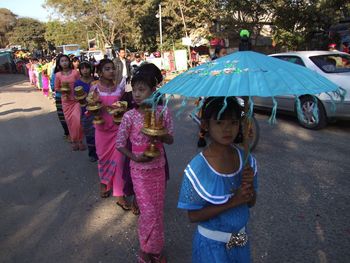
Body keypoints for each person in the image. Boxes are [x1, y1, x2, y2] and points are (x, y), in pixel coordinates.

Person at [178, 97, 257, 263]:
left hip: (241, 244)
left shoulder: (246, 160)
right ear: (206, 125)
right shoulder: (197, 168)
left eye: (234, 122)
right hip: (211, 250)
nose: (227, 129)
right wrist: (232, 202)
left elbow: (250, 202)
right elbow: (193, 215)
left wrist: (248, 189)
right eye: (220, 122)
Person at [116, 63, 174, 263]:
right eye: (135, 90)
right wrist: (134, 157)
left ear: (153, 91)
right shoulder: (129, 116)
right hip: (138, 171)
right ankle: (145, 249)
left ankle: (156, 250)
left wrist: (160, 132)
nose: (137, 94)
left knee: (157, 212)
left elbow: (171, 139)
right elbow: (120, 144)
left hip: (157, 169)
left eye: (142, 90)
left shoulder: (162, 112)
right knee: (147, 212)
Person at [89, 59, 134, 206]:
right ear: (100, 72)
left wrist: (122, 108)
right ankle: (104, 182)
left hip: (118, 129)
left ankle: (119, 195)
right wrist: (94, 106)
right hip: (101, 130)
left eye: (113, 69)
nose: (112, 71)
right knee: (103, 159)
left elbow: (125, 107)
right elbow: (89, 108)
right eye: (108, 69)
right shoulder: (94, 88)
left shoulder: (119, 88)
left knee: (120, 161)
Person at [54, 54, 85, 151]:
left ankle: (80, 140)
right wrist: (64, 91)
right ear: (59, 63)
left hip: (76, 100)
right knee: (70, 122)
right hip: (66, 101)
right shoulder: (58, 75)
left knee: (78, 121)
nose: (64, 63)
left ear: (69, 62)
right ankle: (74, 141)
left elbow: (80, 84)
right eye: (62, 61)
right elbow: (56, 88)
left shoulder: (75, 73)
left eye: (66, 60)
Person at [74, 61, 98, 162]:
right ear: (80, 70)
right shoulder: (78, 83)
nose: (85, 70)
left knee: (99, 133)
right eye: (82, 68)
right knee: (89, 133)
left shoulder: (97, 81)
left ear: (91, 69)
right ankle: (92, 153)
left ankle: (101, 152)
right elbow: (76, 97)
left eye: (87, 68)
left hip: (98, 110)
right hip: (85, 111)